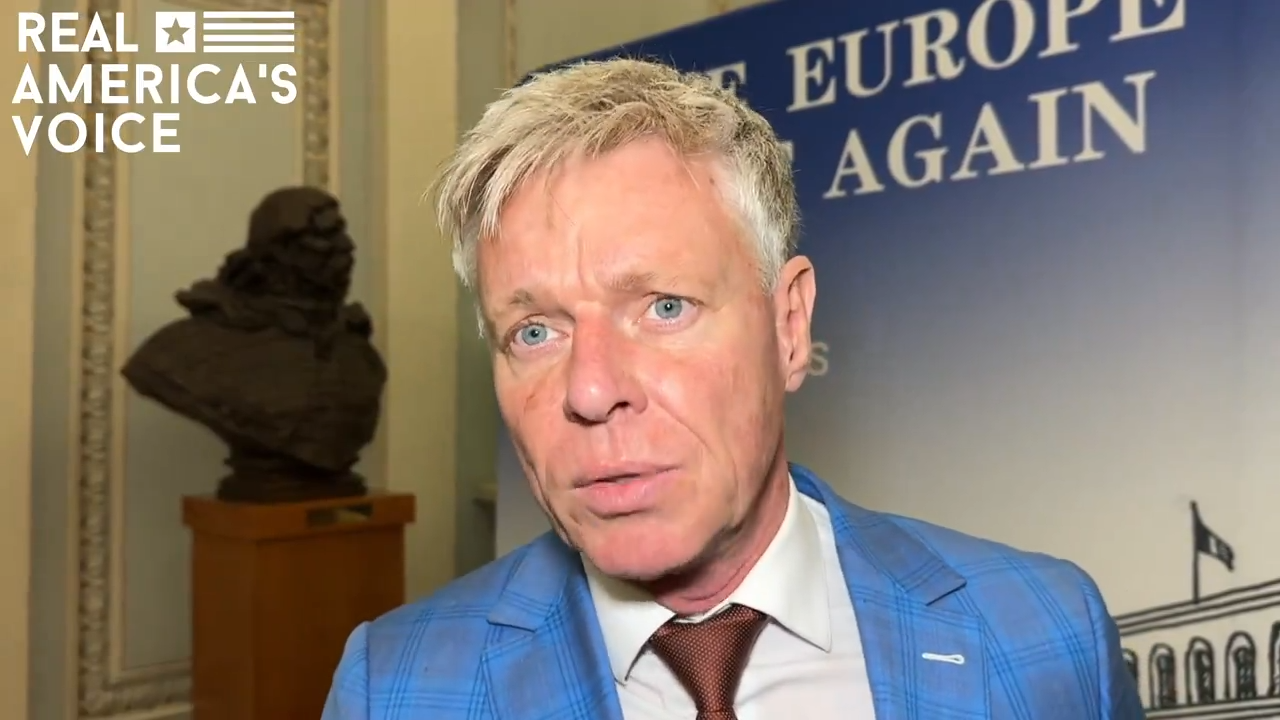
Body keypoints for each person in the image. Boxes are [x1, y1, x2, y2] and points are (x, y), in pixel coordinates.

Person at [321, 58, 1143, 720]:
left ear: (789, 327)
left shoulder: (1042, 634)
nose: (592, 391)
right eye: (535, 331)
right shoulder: (396, 690)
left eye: (664, 307)